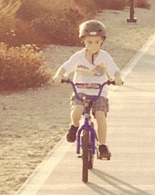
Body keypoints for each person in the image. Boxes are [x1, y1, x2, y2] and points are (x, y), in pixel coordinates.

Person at [52, 20, 123, 160]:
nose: (93, 45)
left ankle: (102, 145)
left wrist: (117, 78)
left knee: (100, 116)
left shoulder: (104, 56)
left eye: (97, 42)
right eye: (89, 42)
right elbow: (66, 67)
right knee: (77, 111)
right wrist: (59, 76)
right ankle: (74, 126)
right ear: (83, 40)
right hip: (80, 91)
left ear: (102, 41)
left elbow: (115, 69)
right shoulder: (78, 56)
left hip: (98, 92)